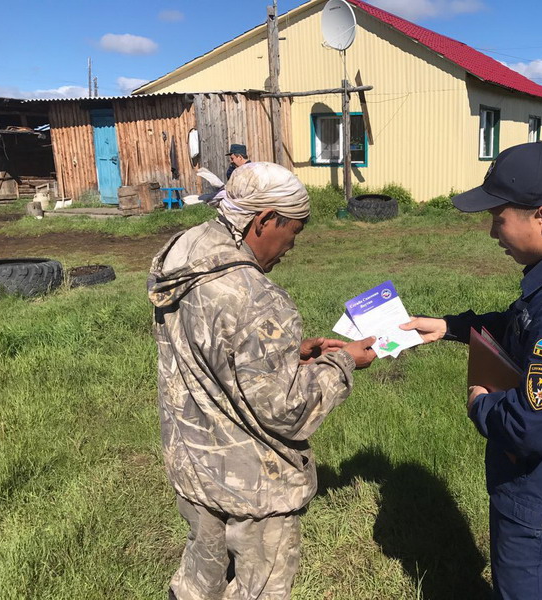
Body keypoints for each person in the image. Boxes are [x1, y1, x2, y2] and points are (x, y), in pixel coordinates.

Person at [401, 142, 542, 600]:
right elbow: (524, 326)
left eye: (498, 217)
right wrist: (452, 327)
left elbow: (533, 426)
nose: (491, 232)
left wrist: (480, 402)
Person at [148, 161, 376, 600]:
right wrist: (343, 362)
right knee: (260, 589)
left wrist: (287, 354)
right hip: (254, 485)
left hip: (194, 465)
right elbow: (289, 412)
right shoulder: (257, 300)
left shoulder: (184, 255)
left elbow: (214, 350)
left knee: (201, 575)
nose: (292, 245)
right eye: (295, 230)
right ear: (264, 220)